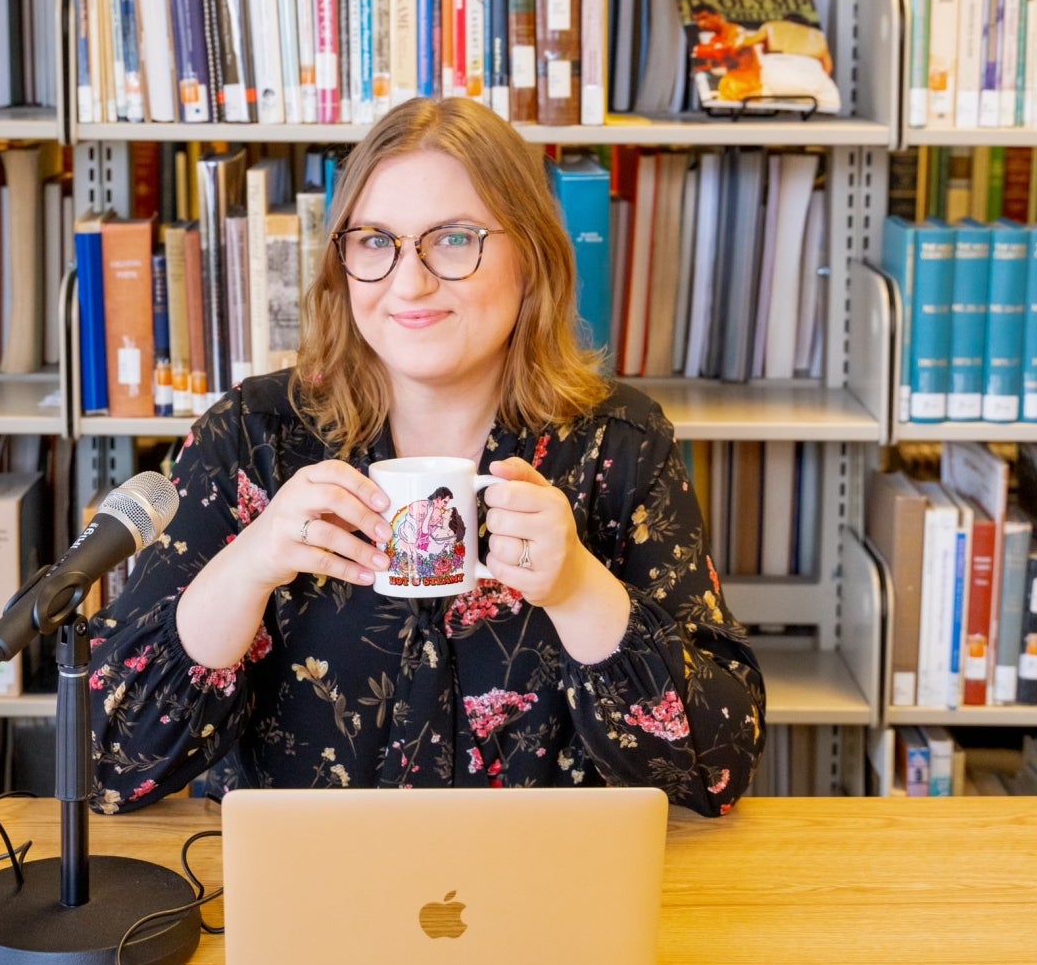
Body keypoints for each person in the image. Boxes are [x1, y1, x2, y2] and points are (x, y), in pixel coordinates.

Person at [90, 99, 765, 813]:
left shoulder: (617, 445)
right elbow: (107, 759)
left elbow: (718, 773)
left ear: (530, 256)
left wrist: (578, 589)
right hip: (310, 905)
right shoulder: (253, 438)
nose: (408, 283)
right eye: (376, 241)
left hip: (541, 906)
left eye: (453, 240)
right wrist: (250, 564)